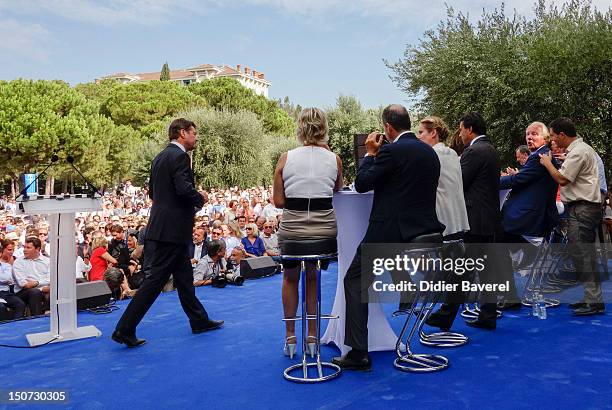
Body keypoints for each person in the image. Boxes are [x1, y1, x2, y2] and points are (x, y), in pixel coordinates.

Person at [332, 105, 443, 370]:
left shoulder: (390, 151)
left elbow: (362, 183)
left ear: (388, 128)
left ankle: (358, 352)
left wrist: (370, 154)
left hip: (392, 234)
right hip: (427, 232)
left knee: (355, 279)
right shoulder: (429, 152)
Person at [113, 118, 223, 348]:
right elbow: (184, 189)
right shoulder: (180, 157)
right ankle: (124, 328)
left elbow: (153, 192)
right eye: (194, 133)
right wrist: (199, 198)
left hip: (166, 229)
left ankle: (199, 320)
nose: (196, 137)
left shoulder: (160, 157)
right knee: (154, 282)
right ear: (182, 133)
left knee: (184, 280)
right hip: (171, 232)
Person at [274, 107, 343, 359]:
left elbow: (278, 202)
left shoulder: (285, 158)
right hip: (324, 230)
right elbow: (339, 190)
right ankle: (312, 336)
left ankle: (290, 337)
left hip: (293, 230)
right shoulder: (334, 159)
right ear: (324, 127)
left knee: (290, 277)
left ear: (300, 127)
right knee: (312, 277)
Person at [427, 112, 501, 331]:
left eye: (461, 129)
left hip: (474, 218)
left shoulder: (474, 152)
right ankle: (487, 315)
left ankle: (446, 314)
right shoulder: (491, 150)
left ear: (469, 129)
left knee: (462, 268)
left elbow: (459, 182)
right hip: (488, 217)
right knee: (484, 269)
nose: (460, 134)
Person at [539, 117, 604, 315]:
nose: (552, 141)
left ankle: (594, 301)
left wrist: (548, 163)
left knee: (582, 253)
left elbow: (563, 179)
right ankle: (591, 297)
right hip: (583, 207)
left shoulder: (578, 151)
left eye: (553, 136)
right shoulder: (581, 150)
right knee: (583, 253)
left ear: (562, 135)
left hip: (582, 207)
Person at [496, 122, 559, 309]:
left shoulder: (541, 155)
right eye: (527, 134)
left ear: (545, 137)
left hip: (528, 216)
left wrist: (493, 181)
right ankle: (510, 291)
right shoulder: (538, 155)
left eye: (534, 134)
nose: (529, 137)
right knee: (499, 243)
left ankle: (509, 295)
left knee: (496, 242)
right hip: (526, 215)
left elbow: (520, 179)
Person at [417, 116, 470, 238]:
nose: (418, 137)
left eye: (421, 132)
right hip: (458, 221)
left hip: (441, 222)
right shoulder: (452, 153)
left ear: (433, 132)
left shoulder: (429, 155)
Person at [13, 237, 50, 316]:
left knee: (59, 289)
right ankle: (38, 320)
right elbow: (23, 284)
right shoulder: (18, 262)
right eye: (24, 247)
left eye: (28, 247)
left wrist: (36, 283)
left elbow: (51, 279)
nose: (24, 250)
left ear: (37, 249)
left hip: (46, 290)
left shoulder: (47, 261)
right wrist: (42, 287)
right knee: (35, 292)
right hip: (22, 293)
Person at [0, 239, 26, 319]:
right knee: (1, 308)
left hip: (8, 292)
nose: (11, 252)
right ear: (2, 249)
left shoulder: (15, 261)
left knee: (20, 304)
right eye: (9, 250)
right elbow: (6, 278)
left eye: (13, 250)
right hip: (3, 290)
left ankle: (17, 326)